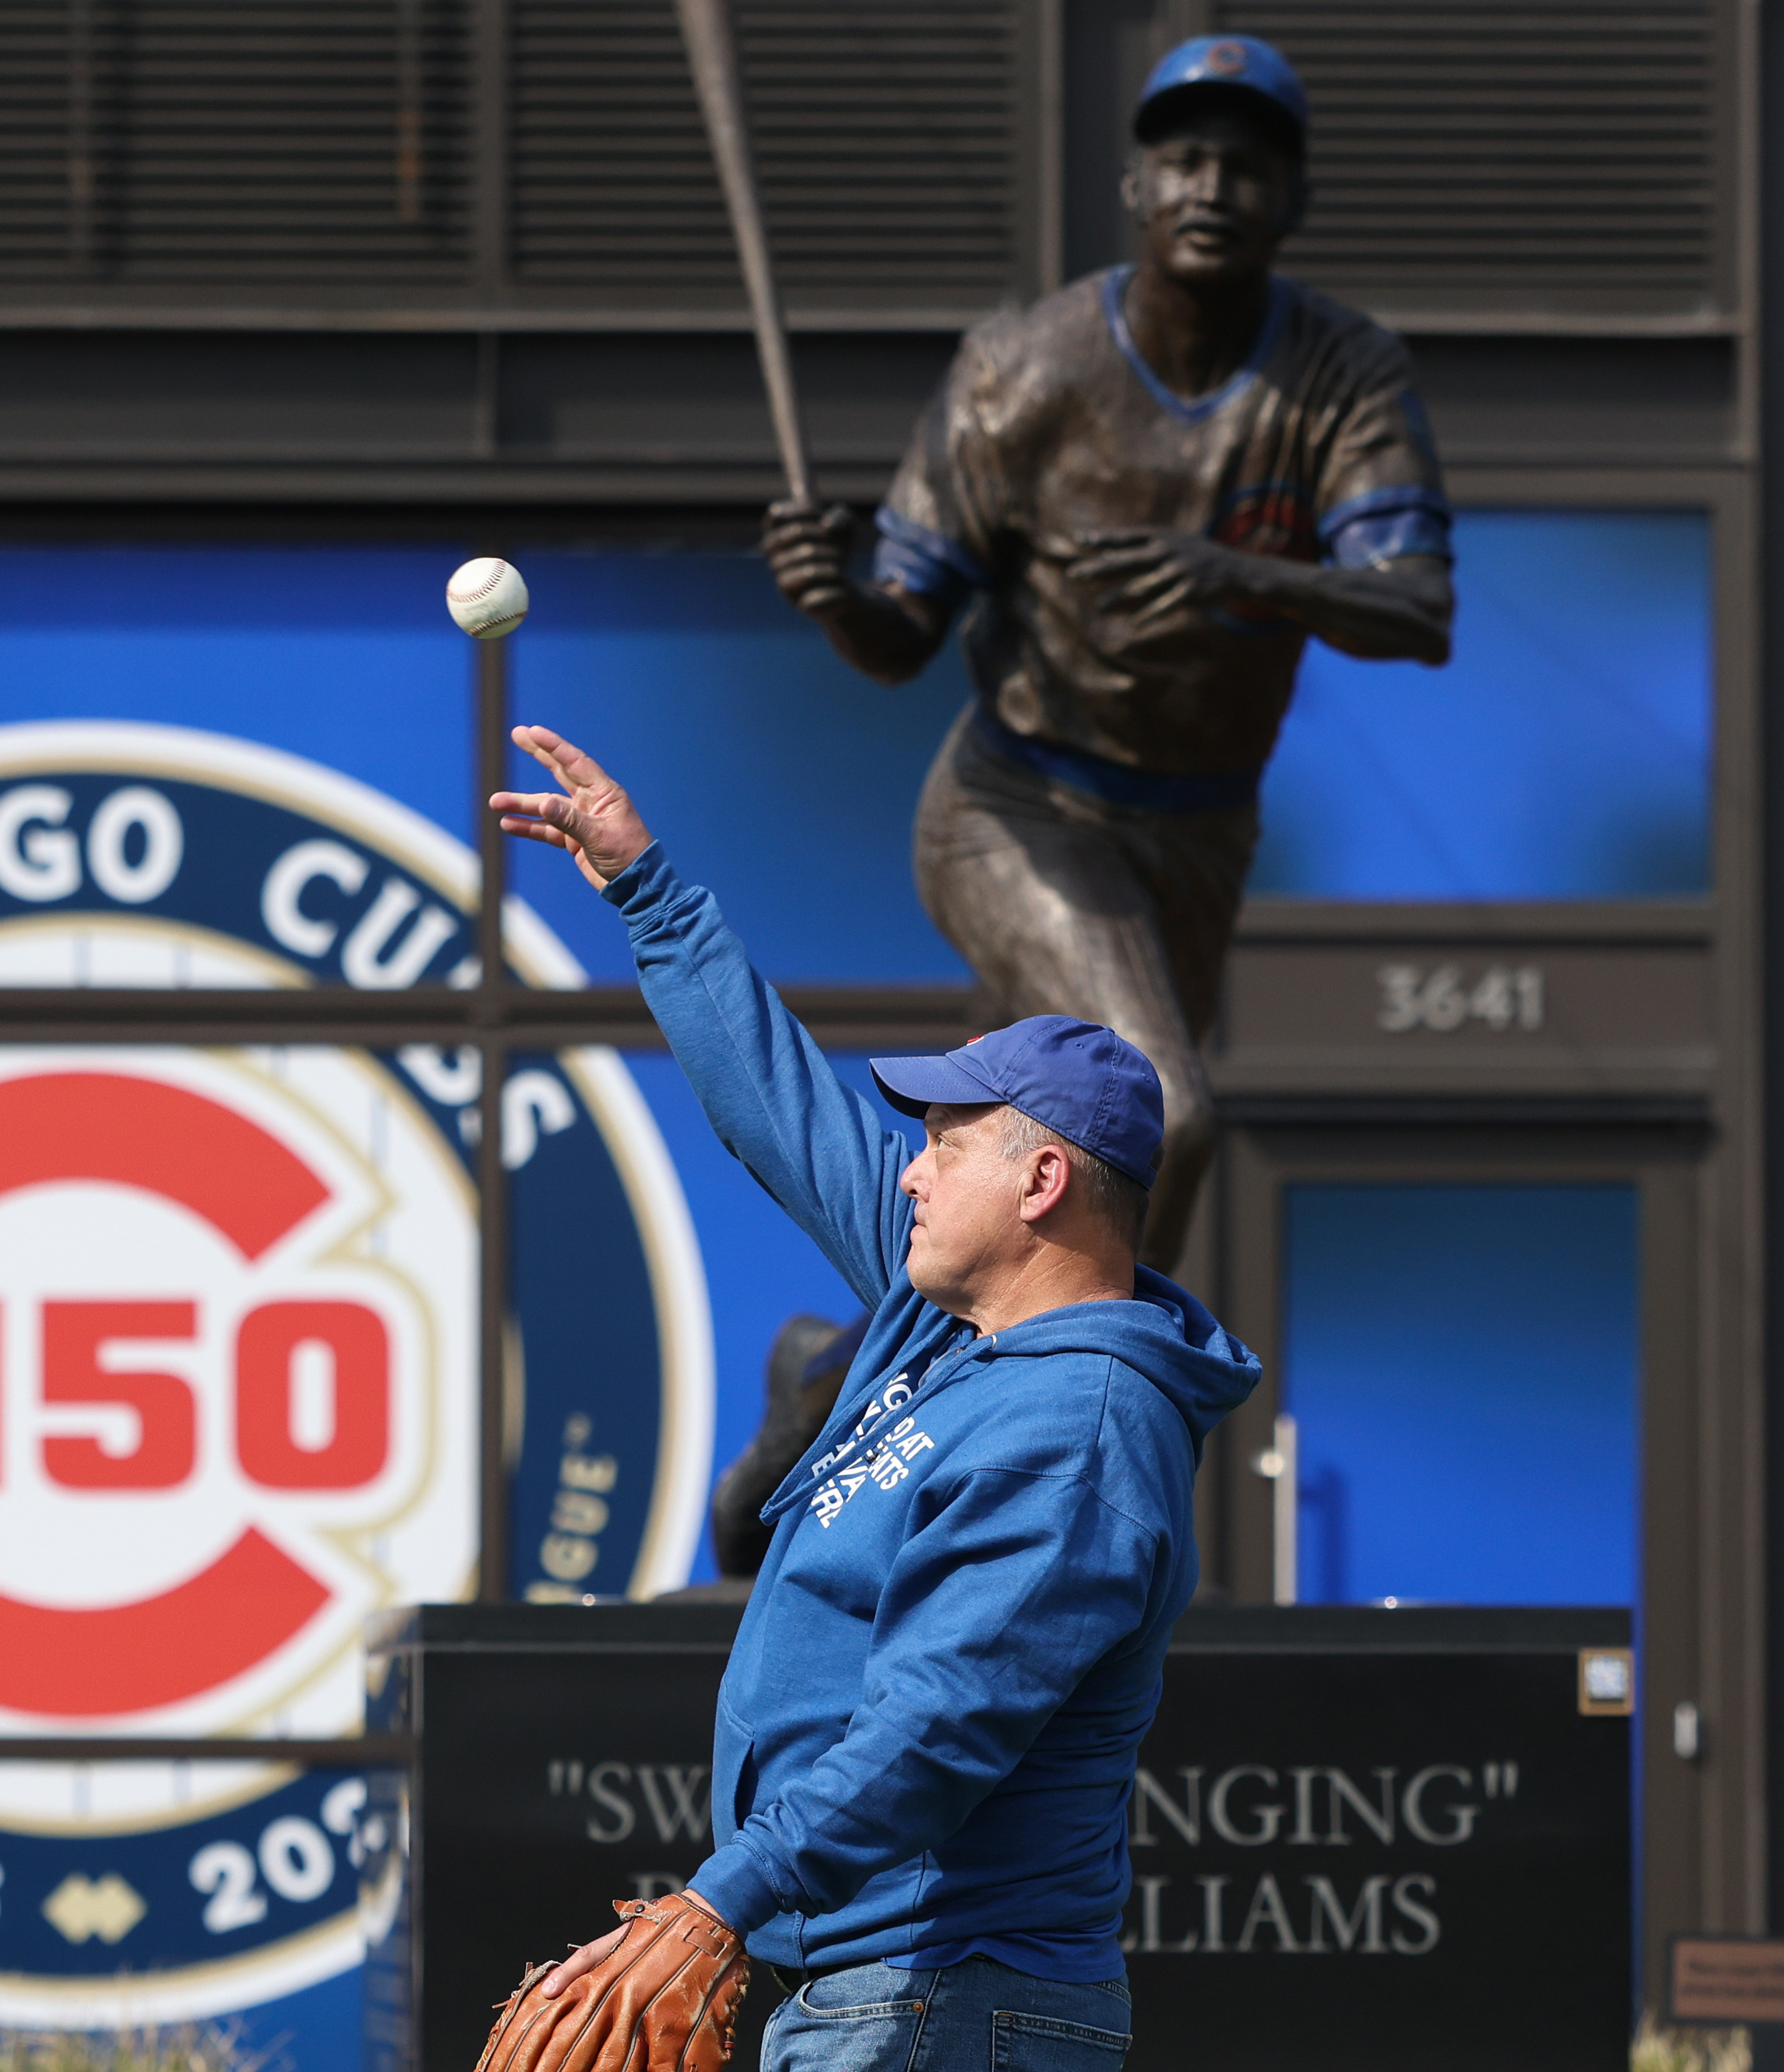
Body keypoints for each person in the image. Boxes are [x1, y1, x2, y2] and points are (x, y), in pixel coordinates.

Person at [483, 724, 1260, 2072]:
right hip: (880, 1993)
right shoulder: (945, 1323)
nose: (909, 1168)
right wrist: (645, 887)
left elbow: (942, 1715)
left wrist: (723, 1897)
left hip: (956, 2005)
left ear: (1041, 1185)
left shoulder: (1078, 1425)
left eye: (946, 1145)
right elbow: (779, 1108)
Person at [761, 33, 1454, 1275]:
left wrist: (1234, 570)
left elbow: (1418, 610)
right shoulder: (1020, 369)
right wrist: (834, 597)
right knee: (1161, 1119)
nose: (1211, 189)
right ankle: (1120, 1390)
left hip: (1199, 831)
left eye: (1245, 167)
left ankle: (825, 1376)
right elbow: (898, 640)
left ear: (1291, 198)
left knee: (1014, 1188)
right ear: (1135, 189)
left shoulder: (1342, 370)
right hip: (1020, 803)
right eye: (1182, 161)